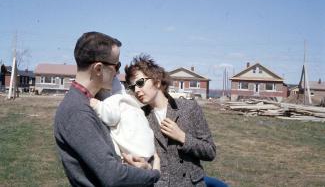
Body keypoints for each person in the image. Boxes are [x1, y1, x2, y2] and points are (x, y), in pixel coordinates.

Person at [54, 32, 160, 187]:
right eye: (116, 66)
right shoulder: (77, 112)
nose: (118, 73)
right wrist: (153, 173)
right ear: (98, 69)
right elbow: (113, 177)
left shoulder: (90, 103)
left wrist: (133, 163)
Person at [124, 54, 222, 187]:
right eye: (132, 87)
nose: (136, 90)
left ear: (157, 81)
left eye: (140, 83)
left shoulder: (189, 108)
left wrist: (182, 137)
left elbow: (210, 152)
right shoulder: (140, 116)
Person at [90, 76, 155, 160]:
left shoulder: (114, 100)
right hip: (148, 148)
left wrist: (98, 105)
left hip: (136, 151)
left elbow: (111, 118)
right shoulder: (129, 101)